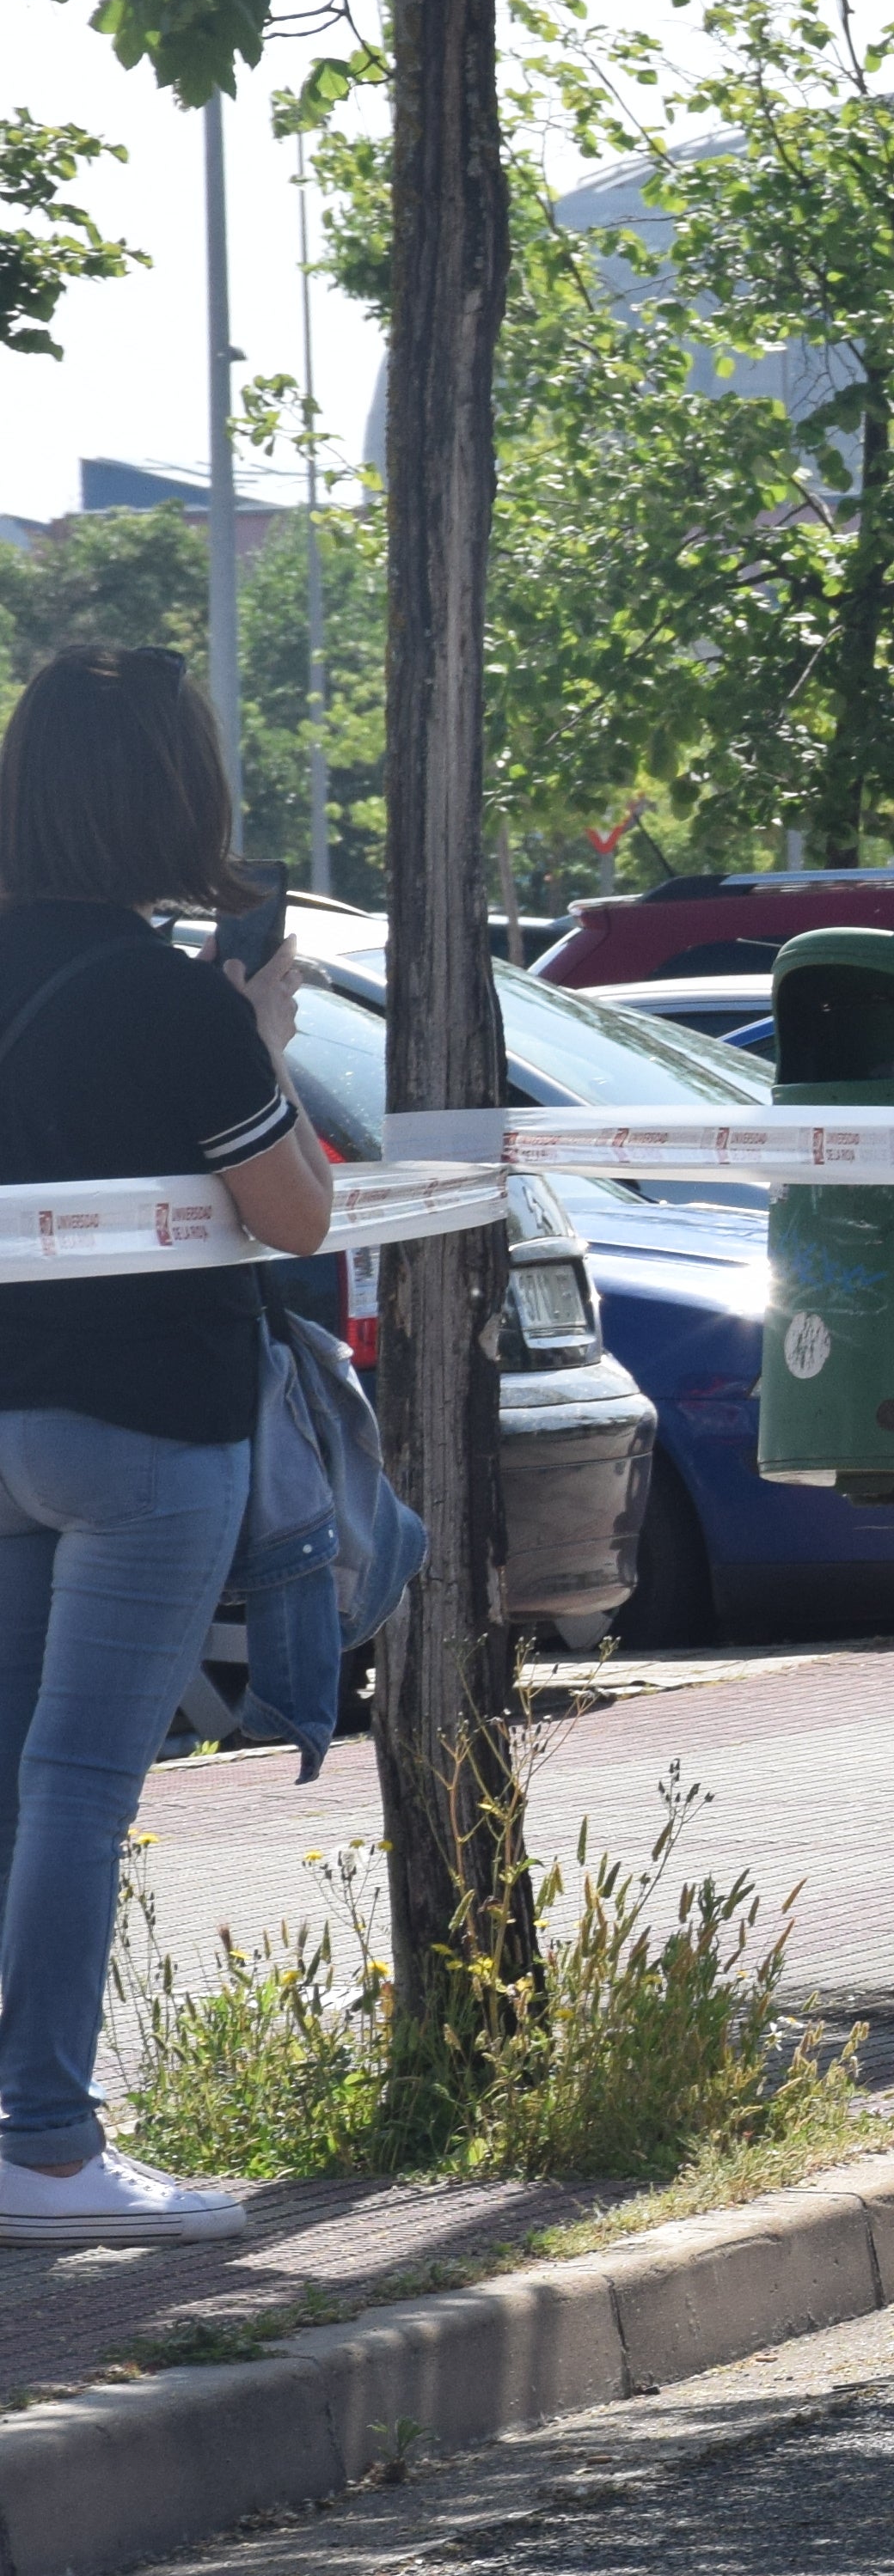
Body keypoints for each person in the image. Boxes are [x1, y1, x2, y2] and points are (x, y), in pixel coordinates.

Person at [0, 650, 334, 2249]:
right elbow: (297, 1214)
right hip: (145, 1433)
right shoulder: (169, 998)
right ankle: (51, 2142)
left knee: (9, 1770)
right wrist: (255, 1028)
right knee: (80, 1780)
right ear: (176, 795)